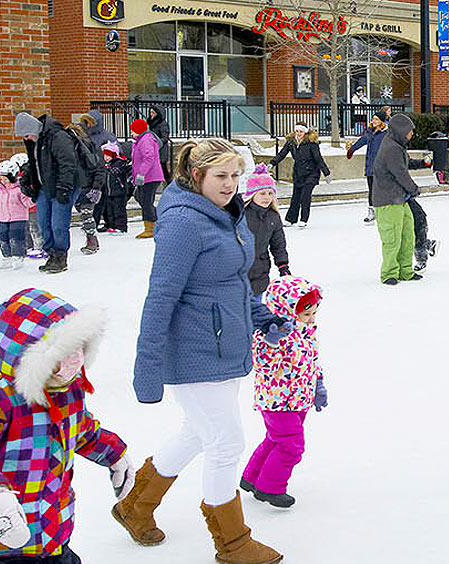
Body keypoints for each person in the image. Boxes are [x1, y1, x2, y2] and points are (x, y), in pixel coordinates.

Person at [121, 138, 290, 564]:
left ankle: (134, 506)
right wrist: (148, 367)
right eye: (221, 176)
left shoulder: (224, 216)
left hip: (224, 345)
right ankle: (233, 543)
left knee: (198, 433)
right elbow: (160, 297)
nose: (231, 184)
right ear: (195, 176)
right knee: (226, 443)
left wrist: (263, 315)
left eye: (236, 175)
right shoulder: (183, 223)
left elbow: (233, 281)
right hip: (195, 352)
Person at [0, 288, 128, 563]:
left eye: (78, 349)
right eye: (61, 354)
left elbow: (82, 431)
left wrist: (115, 454)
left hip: (51, 533)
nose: (75, 361)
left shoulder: (69, 389)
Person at [238, 276, 326, 509]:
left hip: (299, 399)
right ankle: (270, 487)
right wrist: (271, 342)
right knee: (291, 445)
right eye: (306, 314)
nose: (311, 319)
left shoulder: (306, 332)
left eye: (313, 313)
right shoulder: (271, 332)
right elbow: (265, 367)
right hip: (277, 402)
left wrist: (318, 384)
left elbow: (312, 361)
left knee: (275, 439)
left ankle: (251, 477)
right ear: (284, 308)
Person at [14, 112, 92, 273]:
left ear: (34, 130)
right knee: (43, 223)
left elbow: (68, 163)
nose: (26, 139)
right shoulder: (35, 141)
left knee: (58, 224)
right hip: (44, 186)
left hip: (63, 186)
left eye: (27, 135)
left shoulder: (57, 137)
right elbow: (34, 163)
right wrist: (26, 180)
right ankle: (51, 253)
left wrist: (64, 188)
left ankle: (60, 255)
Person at [370, 114, 424, 285]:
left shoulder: (397, 145)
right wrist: (414, 189)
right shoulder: (391, 148)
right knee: (392, 238)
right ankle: (389, 273)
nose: (412, 134)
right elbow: (400, 173)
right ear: (401, 131)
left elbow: (404, 168)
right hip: (387, 200)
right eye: (410, 131)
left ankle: (405, 270)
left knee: (408, 235)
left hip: (400, 199)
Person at [241, 165, 290, 296]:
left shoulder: (273, 217)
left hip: (260, 272)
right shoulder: (241, 215)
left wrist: (283, 265)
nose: (267, 197)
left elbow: (278, 244)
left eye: (270, 193)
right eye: (262, 193)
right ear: (252, 194)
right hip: (239, 271)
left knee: (256, 311)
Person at [268, 123, 328, 228]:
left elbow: (318, 159)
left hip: (311, 173)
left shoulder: (311, 143)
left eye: (301, 131)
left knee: (305, 195)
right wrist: (272, 163)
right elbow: (282, 154)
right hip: (298, 173)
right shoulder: (291, 142)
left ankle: (303, 219)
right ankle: (291, 219)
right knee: (296, 196)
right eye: (297, 131)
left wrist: (326, 173)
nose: (298, 133)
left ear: (305, 132)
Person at [65, 122, 105, 257]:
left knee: (86, 213)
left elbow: (99, 168)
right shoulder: (70, 149)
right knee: (84, 213)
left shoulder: (87, 147)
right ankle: (91, 238)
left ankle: (92, 239)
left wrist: (96, 187)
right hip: (77, 185)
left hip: (87, 184)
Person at [346, 111, 389, 225]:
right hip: (370, 166)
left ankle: (384, 212)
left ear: (382, 121)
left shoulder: (386, 134)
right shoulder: (370, 132)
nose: (373, 121)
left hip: (382, 167)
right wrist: (352, 149)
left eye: (376, 119)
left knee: (381, 190)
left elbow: (395, 144)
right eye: (373, 119)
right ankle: (372, 212)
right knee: (372, 190)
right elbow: (361, 141)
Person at [130, 118, 166, 238]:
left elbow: (149, 158)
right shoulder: (140, 140)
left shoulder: (146, 140)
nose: (131, 133)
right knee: (140, 197)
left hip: (150, 177)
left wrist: (141, 174)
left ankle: (150, 227)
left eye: (133, 130)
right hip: (147, 176)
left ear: (139, 130)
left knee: (146, 201)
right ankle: (157, 220)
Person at [98, 142, 134, 234]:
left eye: (108, 156)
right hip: (109, 191)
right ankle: (112, 225)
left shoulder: (119, 163)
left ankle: (121, 227)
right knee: (110, 210)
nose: (106, 158)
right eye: (105, 156)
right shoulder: (106, 165)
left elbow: (124, 171)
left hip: (119, 191)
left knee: (119, 210)